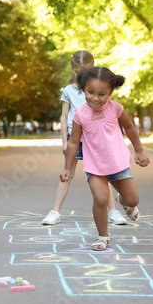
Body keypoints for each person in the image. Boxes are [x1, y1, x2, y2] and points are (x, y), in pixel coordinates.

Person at [60, 66, 150, 251]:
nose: (95, 98)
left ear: (110, 92)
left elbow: (130, 128)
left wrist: (139, 151)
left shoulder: (116, 108)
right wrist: (68, 167)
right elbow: (73, 142)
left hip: (117, 163)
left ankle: (123, 202)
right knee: (100, 199)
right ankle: (103, 236)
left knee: (132, 200)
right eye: (90, 92)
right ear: (84, 89)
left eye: (102, 94)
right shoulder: (80, 115)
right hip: (95, 166)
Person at [42, 50, 127, 226]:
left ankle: (113, 211)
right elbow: (64, 117)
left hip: (96, 139)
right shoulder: (68, 91)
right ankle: (55, 211)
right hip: (76, 139)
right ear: (73, 70)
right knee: (68, 173)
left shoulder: (97, 88)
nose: (81, 75)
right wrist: (65, 141)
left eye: (85, 71)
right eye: (78, 72)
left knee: (104, 175)